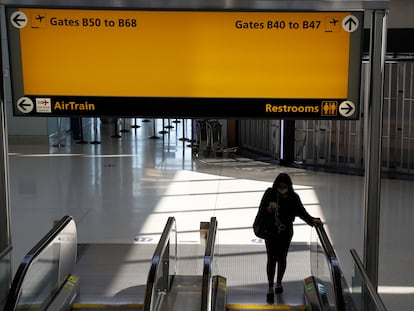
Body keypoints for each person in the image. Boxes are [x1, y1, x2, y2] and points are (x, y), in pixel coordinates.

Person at [258, 173, 322, 303]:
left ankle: (279, 283)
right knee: (271, 258)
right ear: (276, 185)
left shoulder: (293, 197)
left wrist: (311, 220)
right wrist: (268, 210)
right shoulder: (270, 194)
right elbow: (261, 209)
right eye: (280, 186)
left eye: (284, 186)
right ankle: (270, 287)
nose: (282, 189)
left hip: (285, 232)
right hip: (271, 231)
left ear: (288, 186)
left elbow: (301, 212)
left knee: (282, 257)